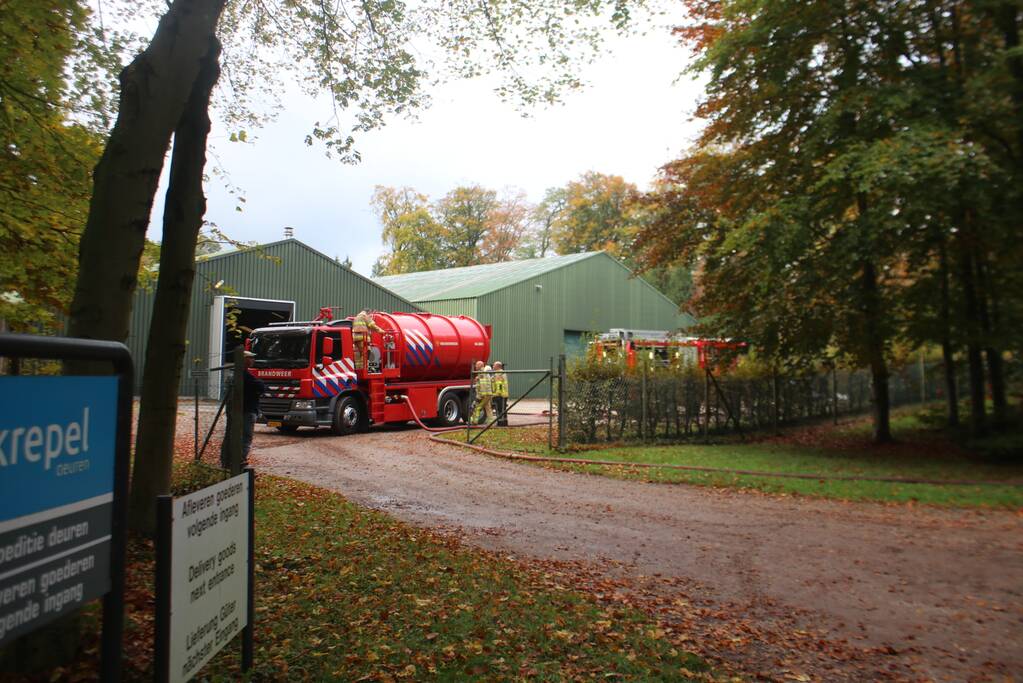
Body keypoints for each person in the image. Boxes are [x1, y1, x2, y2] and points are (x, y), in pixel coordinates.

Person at [221, 350, 265, 469]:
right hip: (247, 410)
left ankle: (227, 460)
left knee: (230, 434)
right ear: (244, 360)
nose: (253, 360)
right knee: (246, 437)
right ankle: (240, 461)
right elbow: (261, 386)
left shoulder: (234, 373)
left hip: (235, 409)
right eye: (251, 358)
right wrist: (259, 385)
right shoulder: (245, 375)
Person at [471, 360, 494, 424]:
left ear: (480, 366)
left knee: (477, 407)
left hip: (484, 395)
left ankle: (474, 421)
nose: (475, 366)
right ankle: (491, 421)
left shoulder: (481, 373)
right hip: (488, 394)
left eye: (476, 365)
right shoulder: (483, 373)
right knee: (488, 408)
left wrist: (480, 396)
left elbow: (483, 386)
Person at [492, 361, 509, 426]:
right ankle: (504, 422)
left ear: (497, 366)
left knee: (500, 410)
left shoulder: (499, 374)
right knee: (503, 409)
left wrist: (497, 393)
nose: (493, 366)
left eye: (494, 365)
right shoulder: (501, 373)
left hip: (500, 395)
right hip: (503, 395)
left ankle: (501, 423)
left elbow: (499, 385)